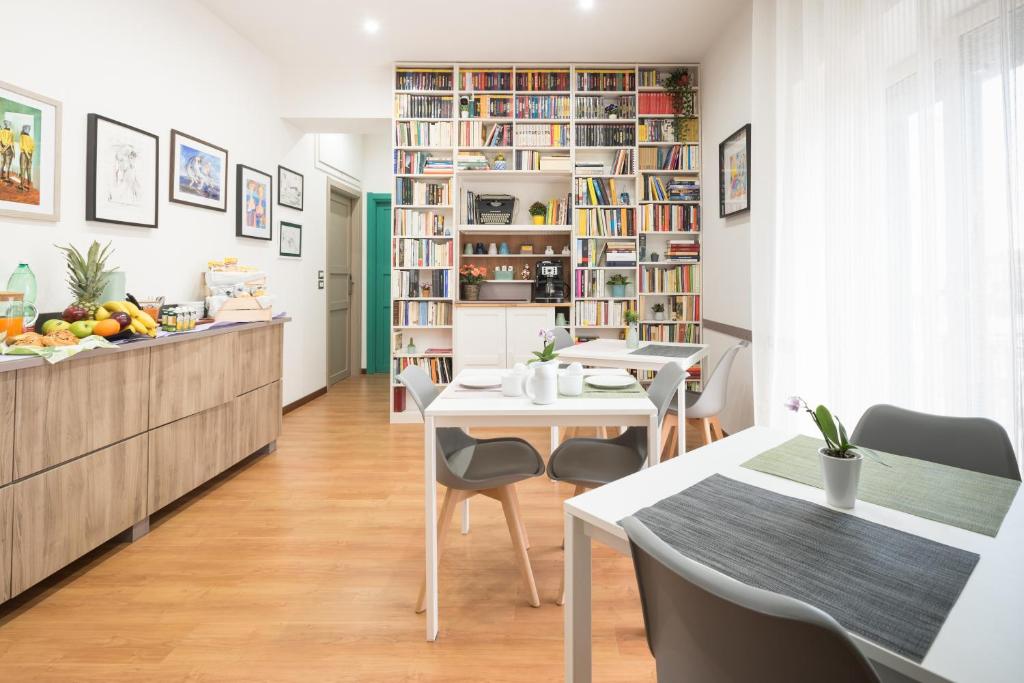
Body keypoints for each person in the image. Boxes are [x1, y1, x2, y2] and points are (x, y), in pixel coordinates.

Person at [18, 125, 34, 191]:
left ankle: (24, 186)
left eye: (28, 128)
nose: (28, 129)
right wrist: (30, 157)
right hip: (27, 155)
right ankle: (26, 185)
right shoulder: (28, 138)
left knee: (24, 170)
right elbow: (30, 148)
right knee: (26, 170)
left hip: (25, 155)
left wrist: (29, 156)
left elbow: (26, 148)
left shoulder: (24, 137)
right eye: (27, 128)